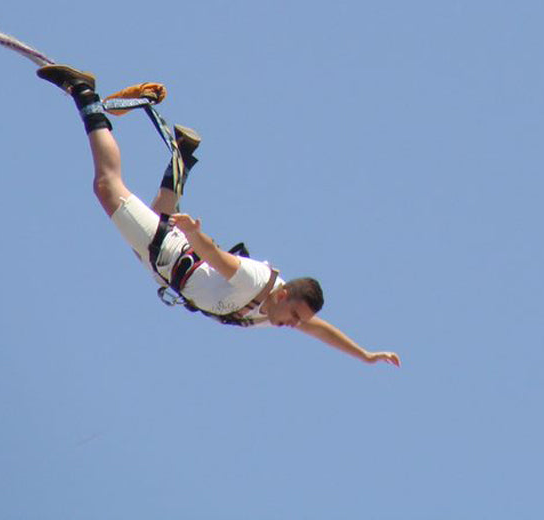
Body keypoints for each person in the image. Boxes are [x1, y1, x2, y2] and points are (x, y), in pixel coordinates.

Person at [37, 64, 401, 367]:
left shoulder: (275, 314)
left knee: (157, 213)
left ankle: (183, 153)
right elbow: (216, 258)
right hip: (173, 252)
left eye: (299, 321)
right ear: (284, 293)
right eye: (295, 316)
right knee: (107, 187)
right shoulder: (258, 281)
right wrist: (196, 234)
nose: (294, 326)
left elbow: (321, 330)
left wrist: (365, 355)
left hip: (164, 266)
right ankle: (84, 91)